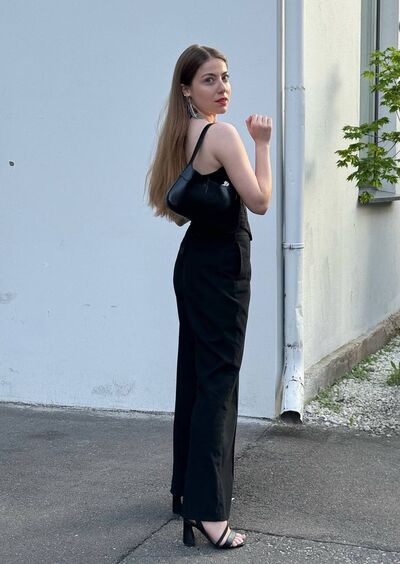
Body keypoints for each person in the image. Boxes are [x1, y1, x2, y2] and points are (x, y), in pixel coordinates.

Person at [146, 44, 272, 550]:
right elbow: (259, 201)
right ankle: (209, 513)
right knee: (218, 384)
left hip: (195, 263)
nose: (223, 88)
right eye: (209, 80)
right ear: (186, 89)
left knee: (196, 376)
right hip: (222, 267)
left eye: (225, 77)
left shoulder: (181, 134)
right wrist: (262, 144)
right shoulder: (221, 134)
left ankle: (187, 494)